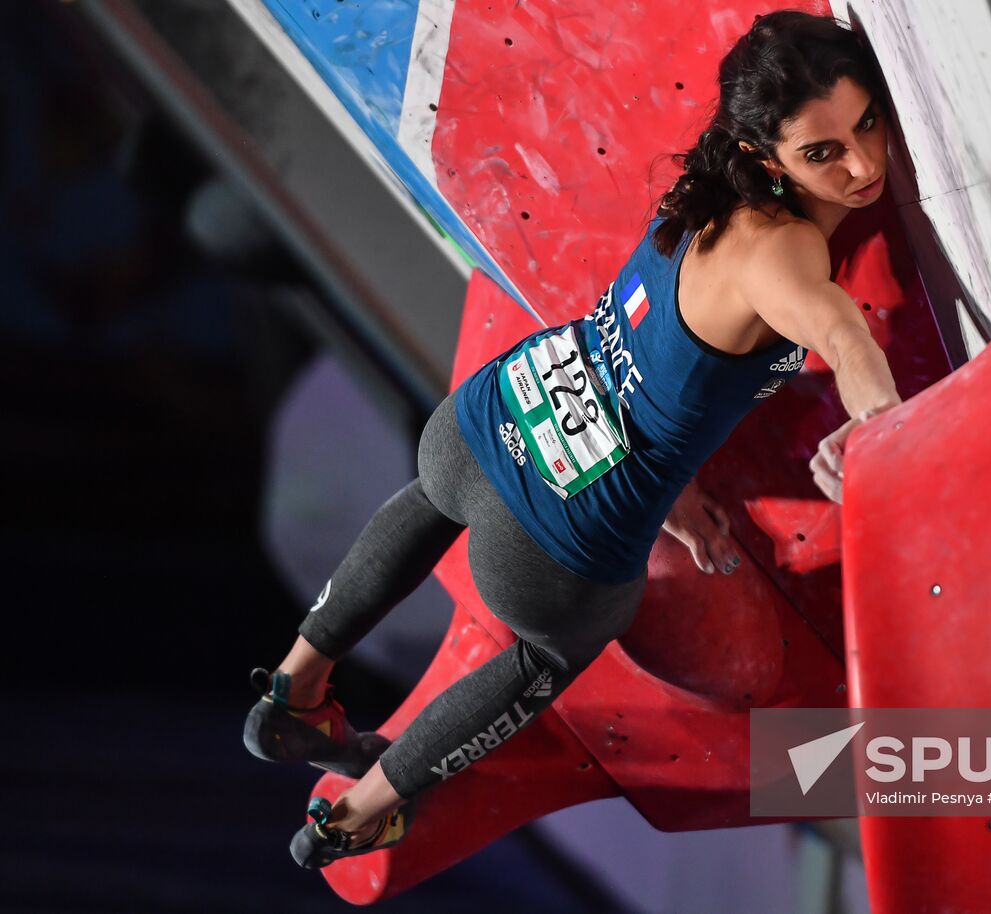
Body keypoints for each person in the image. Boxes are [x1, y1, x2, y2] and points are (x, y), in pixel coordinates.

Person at [243, 9, 903, 868]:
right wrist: (878, 427)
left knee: (429, 497)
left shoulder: (702, 190)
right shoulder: (781, 255)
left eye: (868, 126)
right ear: (762, 157)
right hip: (556, 546)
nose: (862, 164)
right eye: (824, 153)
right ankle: (363, 810)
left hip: (487, 419)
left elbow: (662, 363)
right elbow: (845, 336)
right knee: (545, 658)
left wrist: (680, 488)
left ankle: (295, 684)